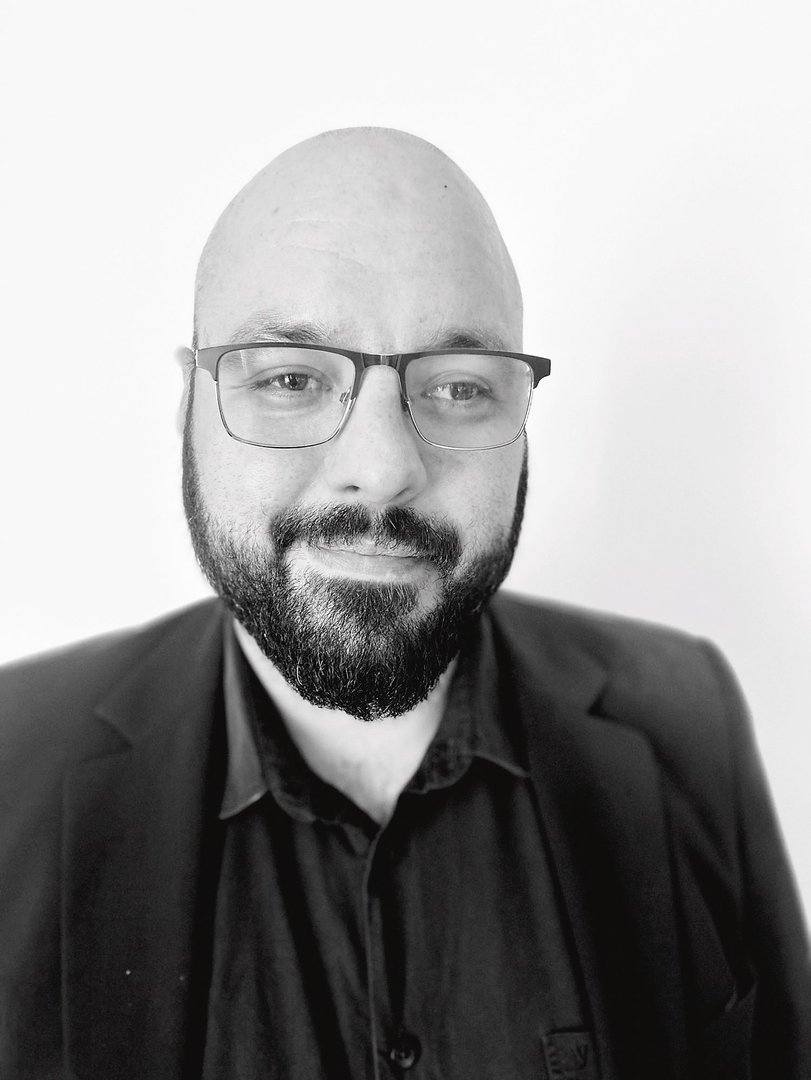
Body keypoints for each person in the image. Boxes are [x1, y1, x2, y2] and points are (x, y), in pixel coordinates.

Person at [0, 127, 808, 1080]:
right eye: (292, 379)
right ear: (190, 406)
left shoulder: (686, 714)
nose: (383, 469)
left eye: (459, 388)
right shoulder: (11, 763)